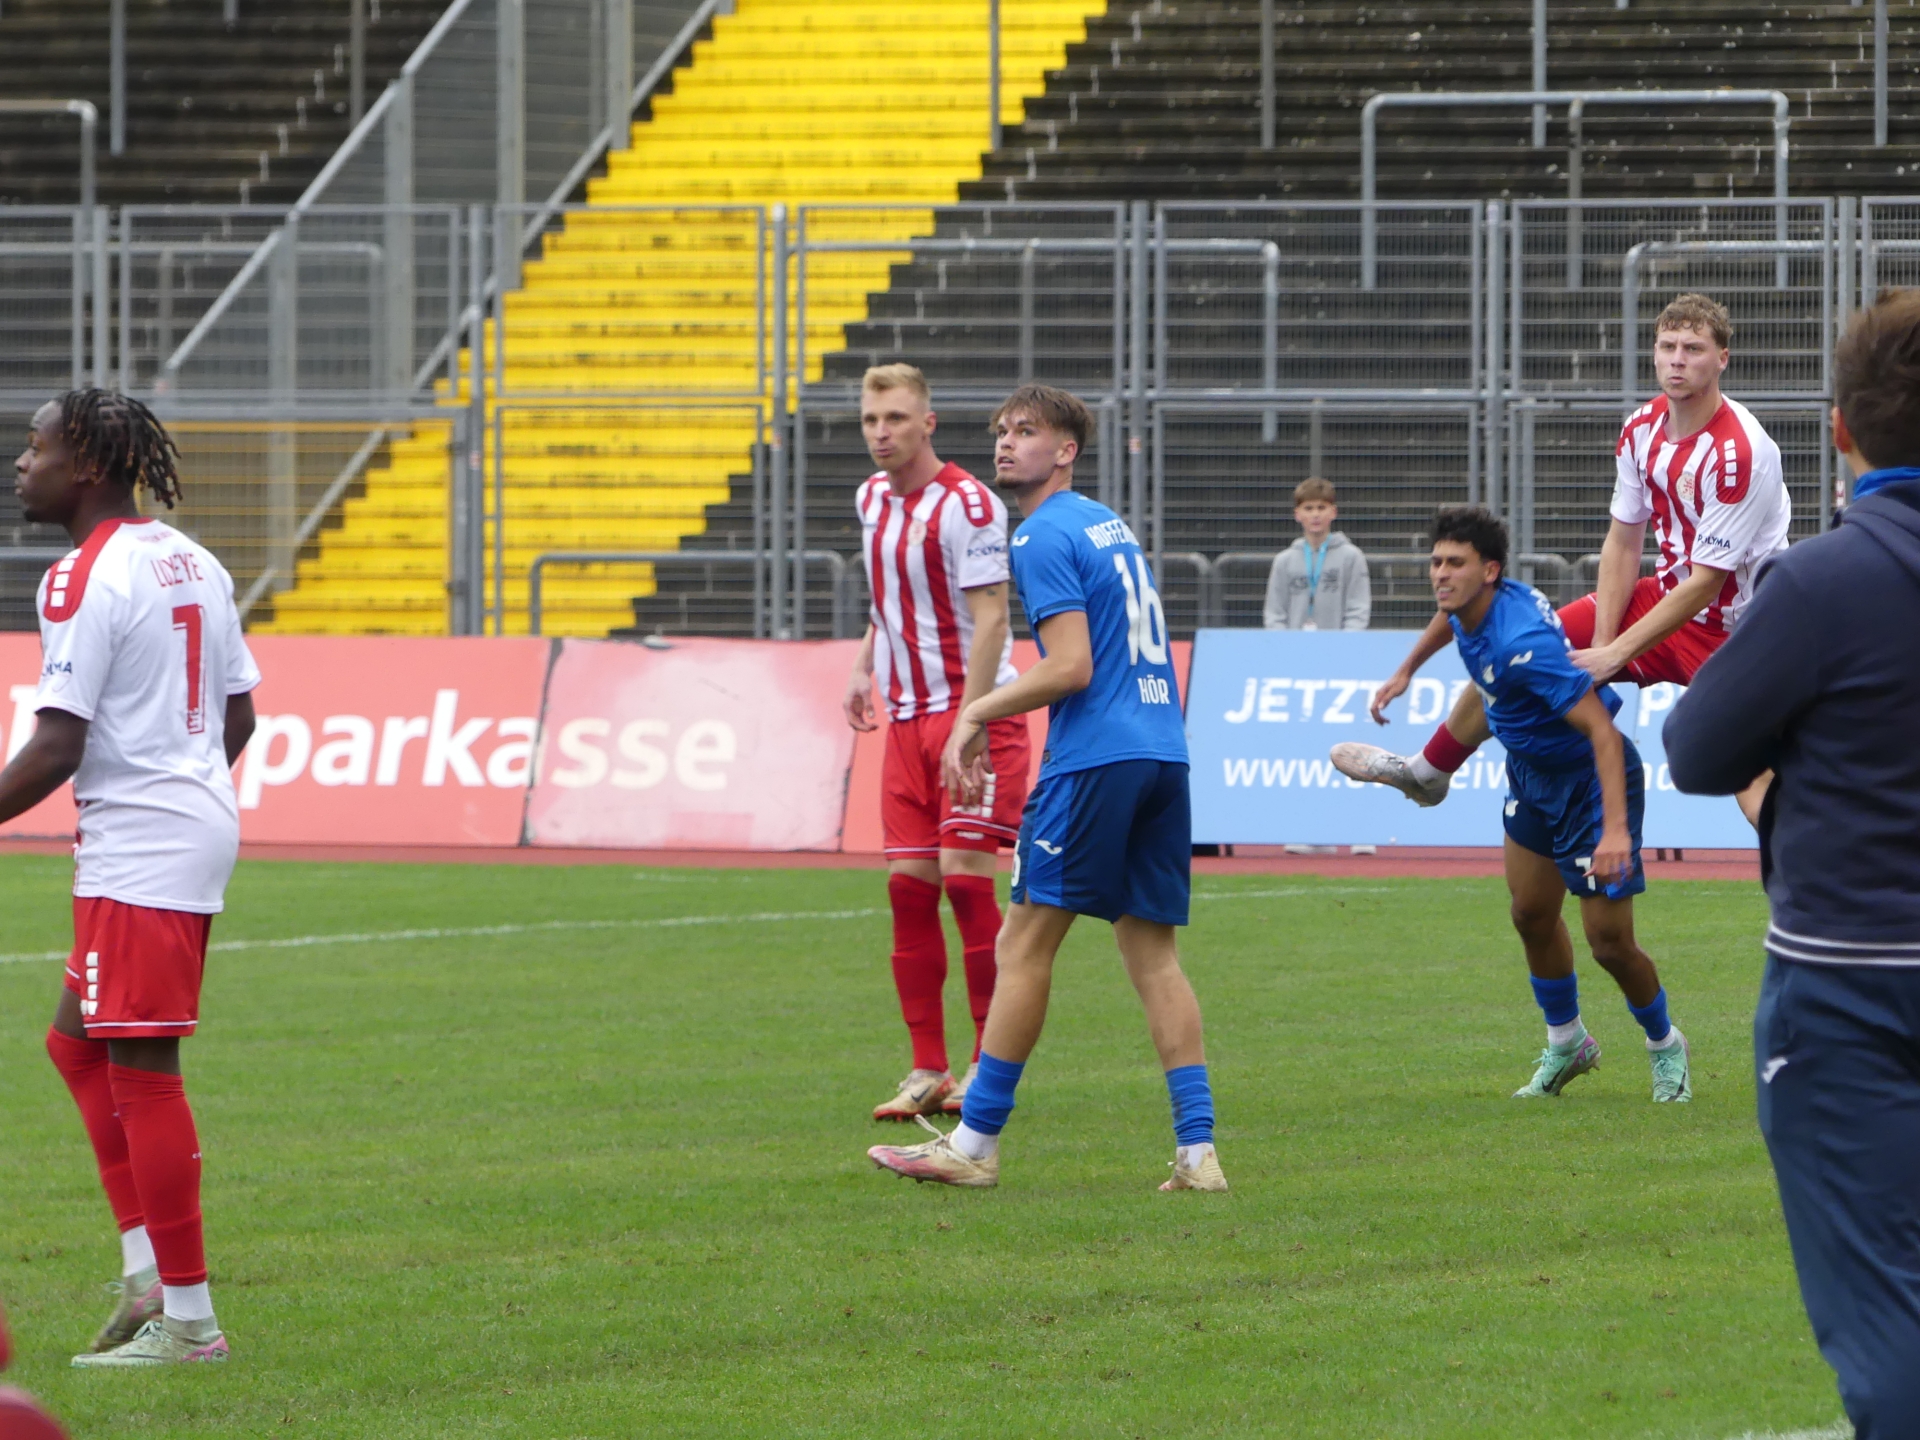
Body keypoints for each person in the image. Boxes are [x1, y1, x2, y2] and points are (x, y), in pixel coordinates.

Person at [1666, 289, 1920, 1436]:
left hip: (1849, 984)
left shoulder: (1820, 582)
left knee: (1883, 1309)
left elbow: (1697, 748)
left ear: (1840, 430)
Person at [866, 384, 1225, 1192]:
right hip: (1163, 753)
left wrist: (976, 711)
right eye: (1001, 430)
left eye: (1026, 431)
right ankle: (1198, 1154)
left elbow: (1071, 667)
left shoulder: (1039, 533)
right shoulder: (1106, 524)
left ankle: (974, 1145)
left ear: (1066, 451)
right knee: (1153, 957)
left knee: (1023, 945)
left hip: (1095, 760)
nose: (1005, 442)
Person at [9, 390, 259, 1367]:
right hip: (180, 829)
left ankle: (188, 1322)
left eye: (36, 447)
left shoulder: (81, 576)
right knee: (76, 1046)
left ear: (86, 466)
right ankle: (146, 1270)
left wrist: (155, 801)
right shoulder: (192, 558)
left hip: (143, 848)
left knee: (144, 1073)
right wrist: (181, 785)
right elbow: (238, 717)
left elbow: (56, 745)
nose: (22, 463)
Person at [1332, 294, 1787, 827]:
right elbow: (1623, 542)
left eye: (1693, 348)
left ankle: (1811, 870)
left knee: (1752, 773)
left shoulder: (1741, 453)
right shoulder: (1640, 429)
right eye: (1668, 346)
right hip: (1665, 599)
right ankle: (1428, 773)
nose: (1677, 360)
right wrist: (1602, 643)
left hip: (1742, 630)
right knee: (1519, 649)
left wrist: (1614, 654)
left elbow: (1707, 583)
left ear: (1722, 359)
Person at [1409, 505, 1692, 1102]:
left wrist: (1615, 832)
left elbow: (1603, 734)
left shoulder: (1525, 643)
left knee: (1609, 944)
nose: (1441, 574)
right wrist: (1405, 671)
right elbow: (1446, 619)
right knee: (1530, 914)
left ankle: (1666, 1045)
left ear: (1489, 571)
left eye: (1454, 563)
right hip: (1531, 774)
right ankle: (1568, 1044)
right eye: (1436, 562)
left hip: (1589, 782)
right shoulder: (1471, 603)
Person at [843, 364, 1031, 1122]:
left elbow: (992, 618)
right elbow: (889, 601)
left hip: (974, 717)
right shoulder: (870, 498)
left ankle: (988, 1064)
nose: (881, 432)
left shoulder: (969, 503)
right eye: (870, 419)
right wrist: (863, 664)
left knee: (966, 883)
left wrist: (972, 721)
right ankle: (928, 1068)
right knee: (907, 888)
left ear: (928, 422)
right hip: (906, 722)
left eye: (895, 417)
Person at [1262, 476, 1370, 630]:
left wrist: (1346, 641)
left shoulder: (1352, 557)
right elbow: (1274, 613)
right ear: (1297, 514)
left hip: (1338, 643)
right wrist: (1283, 642)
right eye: (1308, 508)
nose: (1315, 515)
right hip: (1293, 643)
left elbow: (1358, 610)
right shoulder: (1284, 561)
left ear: (1333, 512)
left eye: (1321, 507)